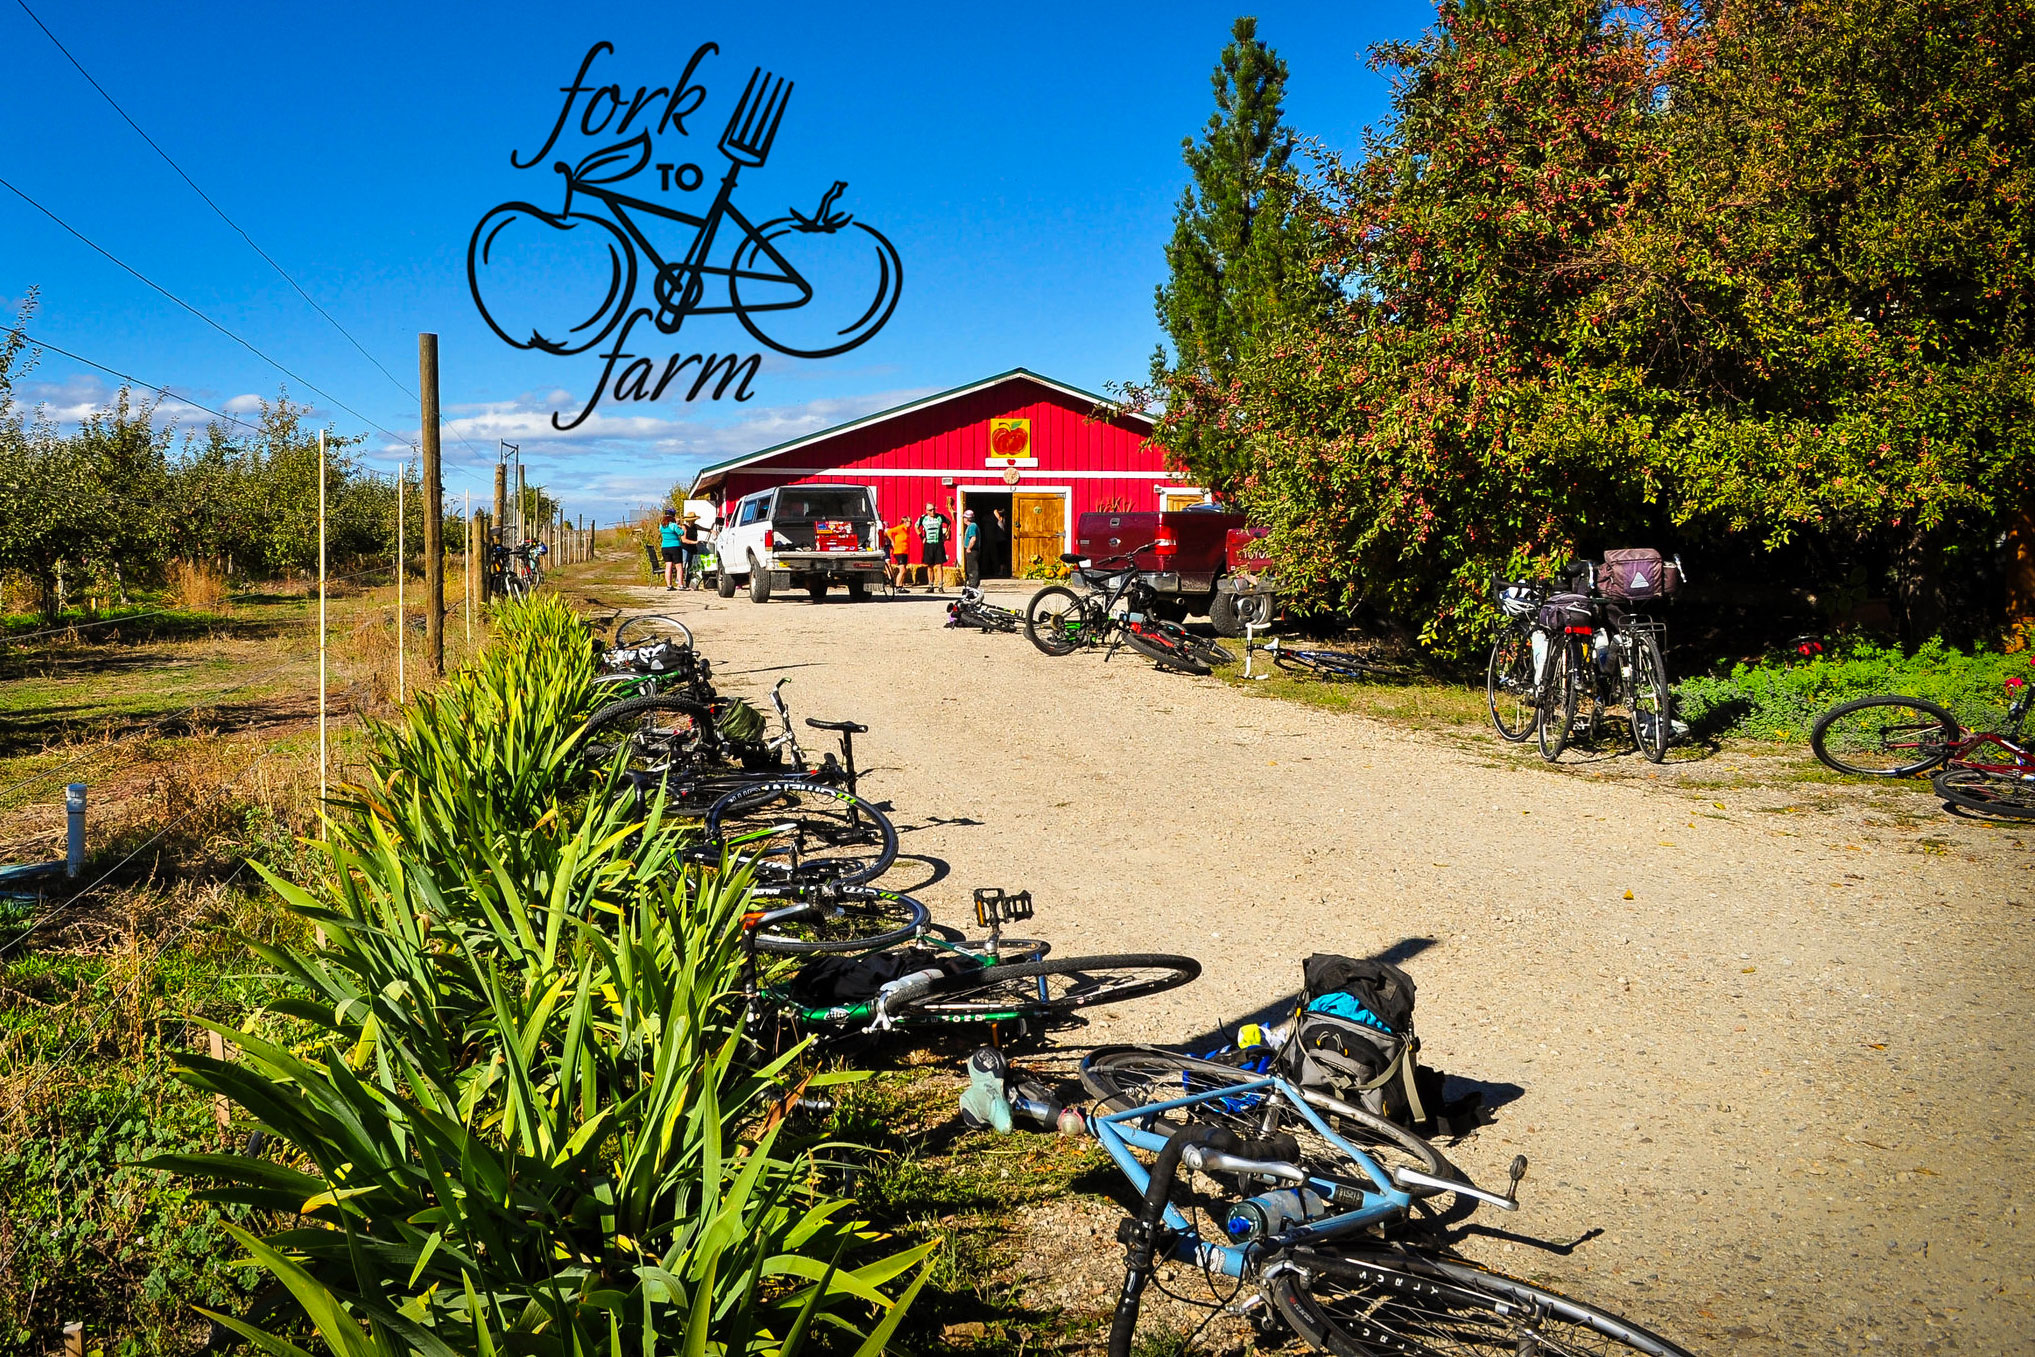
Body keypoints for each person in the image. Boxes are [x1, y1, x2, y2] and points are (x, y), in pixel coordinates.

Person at [916, 501, 951, 593]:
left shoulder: (940, 517)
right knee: (929, 566)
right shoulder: (923, 518)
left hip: (938, 543)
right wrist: (921, 537)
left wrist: (946, 534)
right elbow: (916, 527)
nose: (933, 512)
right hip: (928, 544)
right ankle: (930, 585)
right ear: (926, 511)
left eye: (934, 509)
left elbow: (949, 522)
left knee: (939, 565)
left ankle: (940, 585)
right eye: (930, 510)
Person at [884, 516, 912, 590]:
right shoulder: (901, 528)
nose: (911, 523)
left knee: (904, 570)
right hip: (899, 551)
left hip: (904, 551)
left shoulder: (907, 530)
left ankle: (901, 586)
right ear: (905, 522)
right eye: (909, 521)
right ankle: (897, 586)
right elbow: (889, 532)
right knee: (902, 570)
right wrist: (892, 541)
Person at [658, 508, 683, 590]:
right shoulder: (673, 525)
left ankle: (669, 585)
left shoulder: (662, 526)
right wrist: (678, 524)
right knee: (678, 566)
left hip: (664, 547)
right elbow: (681, 533)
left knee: (668, 566)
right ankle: (680, 584)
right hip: (675, 546)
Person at [679, 513, 705, 590]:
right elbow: (684, 540)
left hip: (693, 549)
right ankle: (680, 582)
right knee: (683, 565)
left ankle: (687, 583)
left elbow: (703, 528)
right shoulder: (684, 527)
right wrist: (695, 542)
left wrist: (710, 530)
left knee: (691, 567)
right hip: (685, 548)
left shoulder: (695, 526)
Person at [961, 508, 982, 588]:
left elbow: (973, 538)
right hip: (972, 550)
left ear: (967, 518)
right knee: (971, 567)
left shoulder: (972, 526)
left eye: (964, 517)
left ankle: (973, 584)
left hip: (972, 550)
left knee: (972, 567)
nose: (963, 519)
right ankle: (971, 583)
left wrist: (969, 548)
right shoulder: (972, 526)